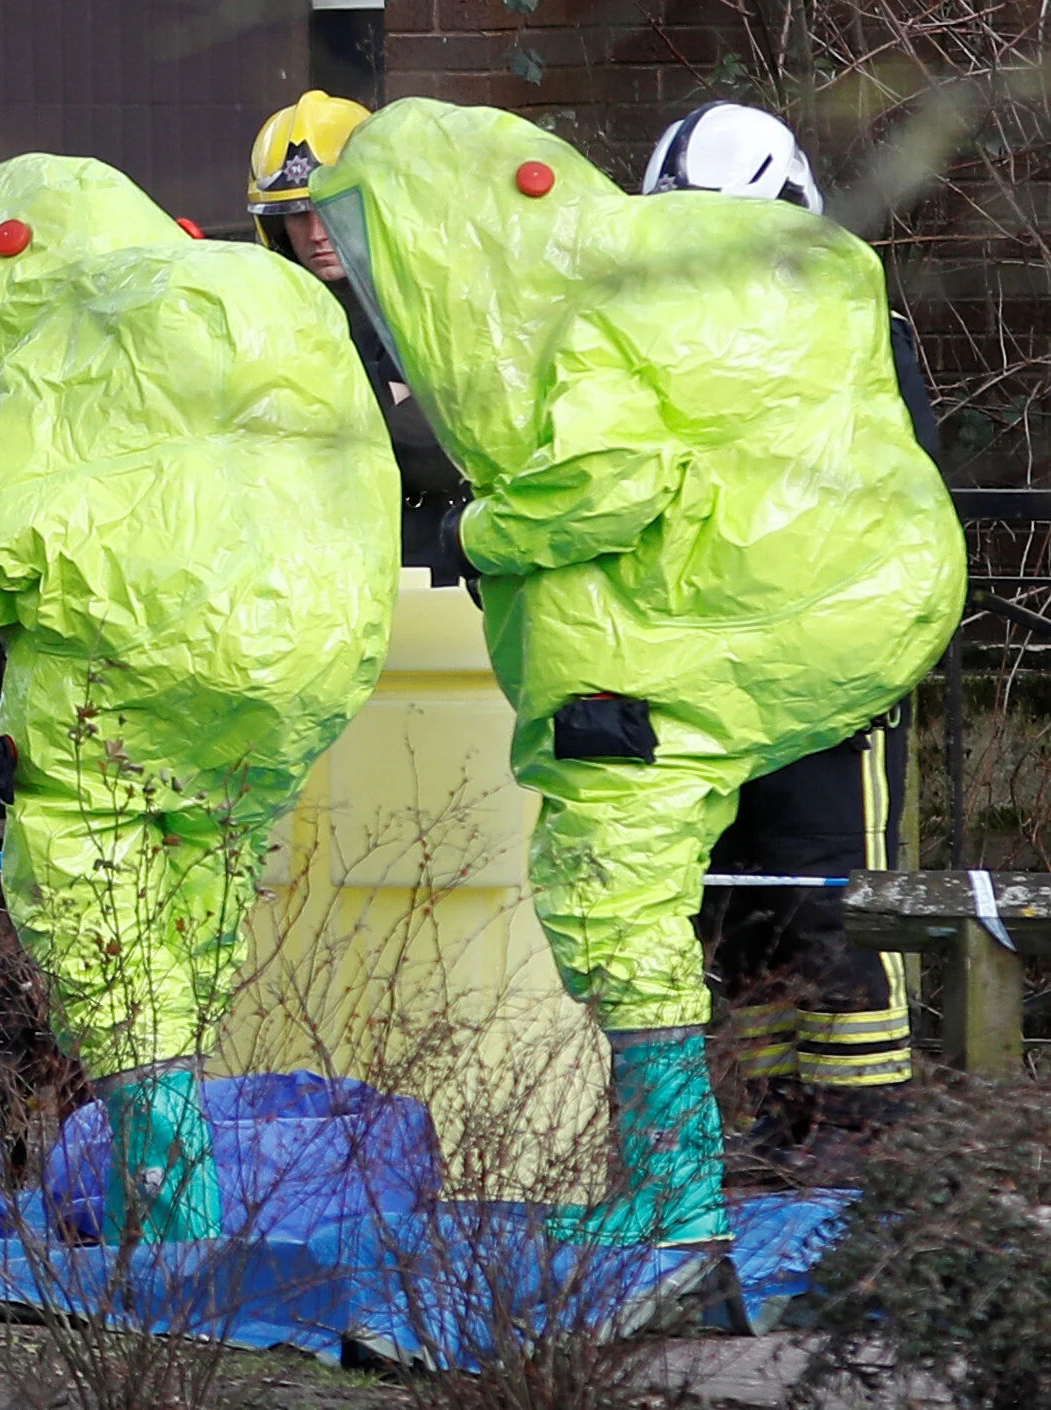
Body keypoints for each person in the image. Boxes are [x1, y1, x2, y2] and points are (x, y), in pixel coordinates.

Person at [309, 98, 965, 1245]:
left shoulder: (701, 316)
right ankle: (783, 1135)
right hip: (747, 667)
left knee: (806, 905)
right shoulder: (829, 315)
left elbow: (614, 478)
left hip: (734, 672)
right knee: (760, 909)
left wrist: (491, 539)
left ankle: (853, 1145)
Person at [0, 154, 400, 1243]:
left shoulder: (58, 355)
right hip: (301, 661)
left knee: (108, 938)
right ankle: (159, 1188)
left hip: (117, 688)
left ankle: (176, 1228)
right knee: (199, 912)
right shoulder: (278, 307)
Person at [644, 101, 940, 1176]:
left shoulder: (860, 334)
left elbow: (900, 498)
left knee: (831, 899)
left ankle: (864, 1130)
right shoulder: (657, 351)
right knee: (735, 912)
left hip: (827, 672)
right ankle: (774, 1118)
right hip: (710, 672)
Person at [247, 89, 468, 578]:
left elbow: (440, 459)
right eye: (297, 214)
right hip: (315, 571)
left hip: (437, 566)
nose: (316, 232)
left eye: (330, 208)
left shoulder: (437, 309)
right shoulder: (265, 316)